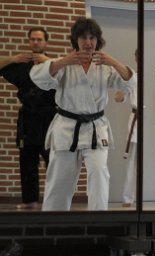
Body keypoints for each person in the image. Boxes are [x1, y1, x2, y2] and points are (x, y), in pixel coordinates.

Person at [30, 18, 136, 211]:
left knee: (99, 173)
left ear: (98, 41)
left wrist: (113, 61)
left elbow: (130, 82)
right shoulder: (64, 63)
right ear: (75, 40)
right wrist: (64, 61)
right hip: (66, 127)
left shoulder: (105, 66)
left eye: (92, 38)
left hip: (96, 127)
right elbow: (38, 77)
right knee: (60, 178)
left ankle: (99, 218)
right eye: (83, 38)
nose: (88, 42)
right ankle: (54, 221)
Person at [0, 27, 56, 209]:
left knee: (53, 161)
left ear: (46, 42)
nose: (36, 42)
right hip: (28, 119)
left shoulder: (54, 65)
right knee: (27, 161)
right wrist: (12, 59)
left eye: (39, 39)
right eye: (33, 39)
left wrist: (48, 61)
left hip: (49, 118)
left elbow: (70, 71)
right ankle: (30, 201)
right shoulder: (21, 65)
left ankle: (55, 201)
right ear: (29, 41)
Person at [114, 49, 139, 207]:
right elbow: (118, 98)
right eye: (139, 57)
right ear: (136, 59)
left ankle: (148, 195)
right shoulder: (132, 77)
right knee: (133, 162)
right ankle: (128, 198)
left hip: (152, 122)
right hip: (137, 120)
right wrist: (122, 92)